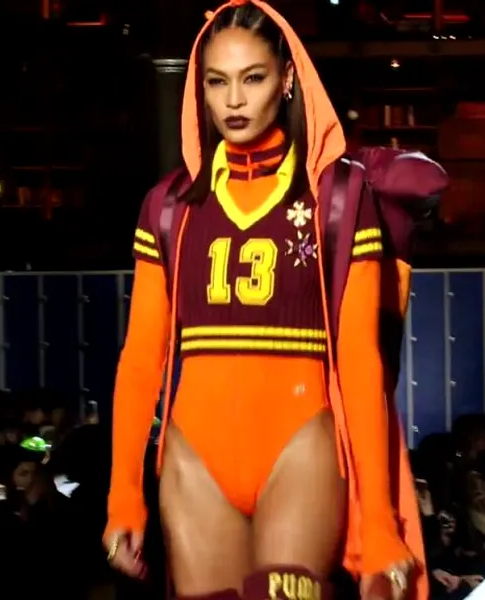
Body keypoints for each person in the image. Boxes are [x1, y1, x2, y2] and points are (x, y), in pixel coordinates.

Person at [103, 1, 431, 598]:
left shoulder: (338, 195)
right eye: (217, 81)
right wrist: (123, 494)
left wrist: (380, 522)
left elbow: (360, 363)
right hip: (192, 459)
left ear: (286, 79)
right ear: (199, 88)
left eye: (252, 78)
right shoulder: (169, 205)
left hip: (301, 447)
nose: (234, 100)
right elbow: (141, 358)